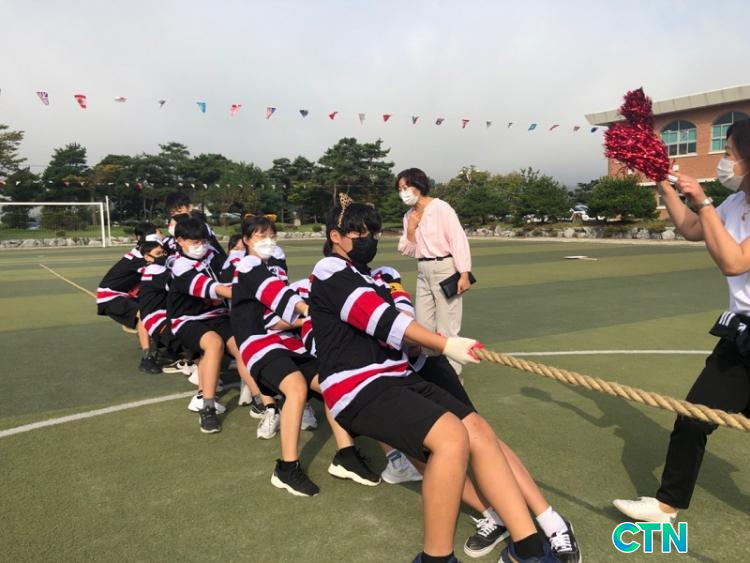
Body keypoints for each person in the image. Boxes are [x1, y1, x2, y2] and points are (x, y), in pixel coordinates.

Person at [311, 194, 557, 563]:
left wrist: (423, 341)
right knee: (451, 436)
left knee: (478, 429)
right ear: (335, 236)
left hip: (396, 376)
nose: (368, 240)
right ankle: (436, 558)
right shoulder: (329, 271)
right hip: (356, 387)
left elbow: (402, 321)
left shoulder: (377, 277)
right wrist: (446, 344)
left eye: (373, 233)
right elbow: (380, 319)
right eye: (359, 233)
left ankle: (528, 548)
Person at [614, 119, 750, 523]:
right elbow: (691, 228)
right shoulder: (736, 204)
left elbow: (734, 262)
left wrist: (704, 201)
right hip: (741, 336)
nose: (724, 161)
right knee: (694, 416)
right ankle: (666, 505)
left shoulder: (722, 204)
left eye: (729, 154)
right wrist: (664, 183)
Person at [231, 216, 379, 495]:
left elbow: (283, 297)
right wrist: (309, 311)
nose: (268, 241)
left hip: (288, 342)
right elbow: (277, 296)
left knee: (332, 383)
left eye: (271, 236)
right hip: (258, 342)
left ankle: (346, 455)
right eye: (261, 236)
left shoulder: (273, 266)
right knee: (296, 388)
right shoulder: (248, 265)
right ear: (247, 240)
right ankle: (287, 469)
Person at [167, 217, 255, 434]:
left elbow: (233, 270)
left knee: (243, 345)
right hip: (187, 320)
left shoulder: (213, 255)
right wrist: (255, 292)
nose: (202, 246)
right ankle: (207, 406)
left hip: (218, 316)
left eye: (204, 241)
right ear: (180, 241)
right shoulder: (178, 265)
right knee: (214, 344)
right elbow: (213, 288)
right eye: (195, 242)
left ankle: (263, 401)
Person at [396, 168, 473, 375]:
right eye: (400, 189)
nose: (403, 192)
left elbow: (457, 239)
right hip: (423, 269)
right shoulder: (408, 216)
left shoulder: (440, 208)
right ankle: (433, 372)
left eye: (406, 187)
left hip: (445, 267)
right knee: (423, 327)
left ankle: (453, 376)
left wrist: (464, 273)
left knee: (448, 326)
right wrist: (411, 228)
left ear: (419, 185)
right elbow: (409, 250)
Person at [96, 222, 162, 373]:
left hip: (119, 294)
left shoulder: (140, 254)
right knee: (145, 314)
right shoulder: (139, 259)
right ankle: (147, 358)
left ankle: (160, 347)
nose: (161, 236)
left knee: (153, 308)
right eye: (158, 233)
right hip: (111, 297)